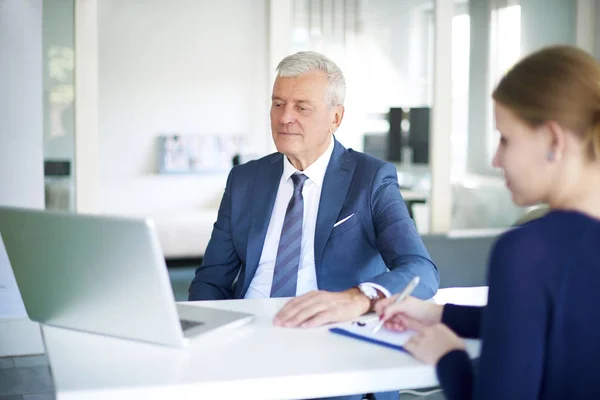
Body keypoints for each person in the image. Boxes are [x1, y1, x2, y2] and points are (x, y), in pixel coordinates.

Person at [188, 51, 439, 400]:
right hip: (248, 338)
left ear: (336, 117)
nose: (285, 117)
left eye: (302, 107)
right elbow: (210, 280)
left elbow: (420, 270)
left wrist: (357, 298)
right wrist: (206, 340)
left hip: (332, 339)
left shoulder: (371, 179)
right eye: (278, 104)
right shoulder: (245, 179)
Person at [376, 45, 600, 400]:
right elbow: (555, 322)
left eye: (505, 138)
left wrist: (448, 355)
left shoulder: (530, 251)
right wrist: (437, 314)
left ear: (554, 140)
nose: (496, 159)